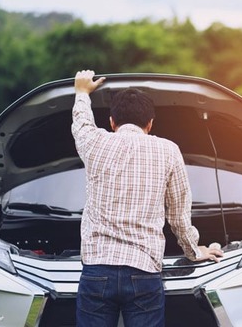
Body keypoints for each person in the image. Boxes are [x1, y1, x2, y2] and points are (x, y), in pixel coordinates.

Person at [72, 70, 223, 327]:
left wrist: (81, 93)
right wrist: (194, 251)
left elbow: (82, 124)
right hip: (144, 271)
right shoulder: (168, 150)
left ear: (111, 121)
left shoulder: (95, 142)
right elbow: (178, 214)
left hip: (97, 270)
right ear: (150, 123)